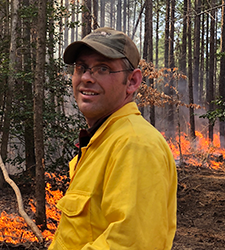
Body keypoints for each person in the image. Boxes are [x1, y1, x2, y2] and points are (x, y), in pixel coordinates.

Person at [48, 27, 177, 250]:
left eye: (103, 68)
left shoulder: (135, 144)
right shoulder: (103, 139)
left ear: (132, 82)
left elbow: (130, 244)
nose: (86, 77)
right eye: (82, 68)